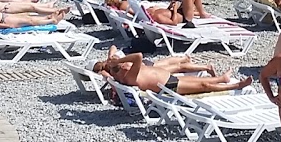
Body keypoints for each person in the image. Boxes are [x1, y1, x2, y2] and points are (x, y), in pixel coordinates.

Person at [92, 48, 249, 95]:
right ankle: (235, 86)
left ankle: (223, 78)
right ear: (118, 71)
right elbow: (138, 56)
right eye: (124, 65)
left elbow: (113, 49)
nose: (126, 64)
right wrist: (118, 61)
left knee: (201, 81)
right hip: (168, 86)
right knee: (203, 85)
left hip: (170, 79)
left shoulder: (124, 72)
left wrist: (111, 61)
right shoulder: (129, 77)